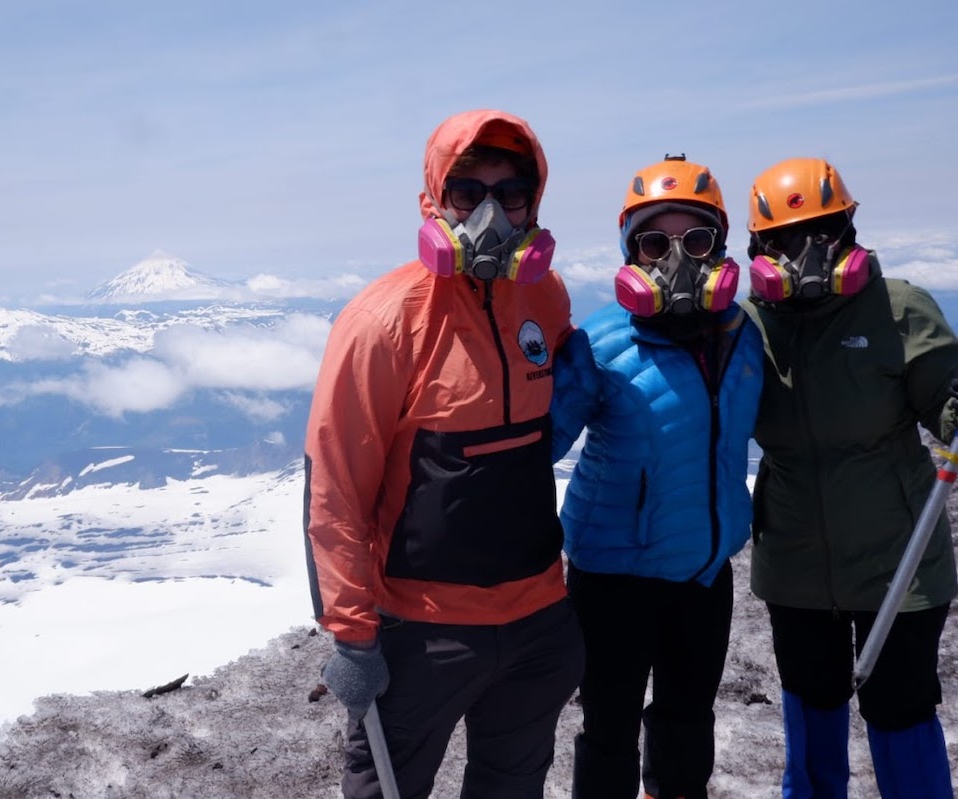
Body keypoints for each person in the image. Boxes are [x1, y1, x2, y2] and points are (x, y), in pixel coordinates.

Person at [303, 109, 586, 798]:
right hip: (422, 631)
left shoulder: (543, 295)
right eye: (469, 192)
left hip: (537, 616)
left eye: (510, 192)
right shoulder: (382, 320)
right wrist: (350, 634)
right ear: (436, 196)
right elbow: (334, 487)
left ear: (533, 200)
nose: (491, 211)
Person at [741, 157, 958, 798]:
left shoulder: (898, 310)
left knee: (901, 710)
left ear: (849, 231)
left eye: (824, 230)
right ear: (758, 247)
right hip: (795, 565)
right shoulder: (751, 326)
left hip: (900, 565)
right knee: (812, 708)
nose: (805, 250)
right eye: (781, 238)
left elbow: (945, 400)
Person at [549, 155, 764, 799]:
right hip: (611, 578)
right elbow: (533, 443)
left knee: (688, 721)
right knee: (609, 727)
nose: (678, 258)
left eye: (696, 240)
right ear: (630, 252)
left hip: (702, 574)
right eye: (655, 241)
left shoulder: (745, 338)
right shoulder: (599, 341)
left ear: (721, 247)